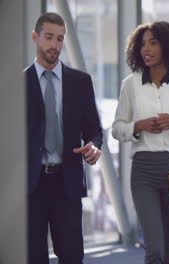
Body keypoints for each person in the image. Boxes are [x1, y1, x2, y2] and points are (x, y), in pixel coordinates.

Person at [112, 21, 169, 264]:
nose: (146, 49)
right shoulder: (130, 84)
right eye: (142, 44)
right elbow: (117, 130)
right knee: (155, 251)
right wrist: (137, 127)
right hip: (143, 172)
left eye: (153, 42)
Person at [26, 12, 103, 264]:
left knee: (71, 257)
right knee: (33, 257)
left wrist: (94, 145)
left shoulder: (80, 82)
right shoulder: (17, 84)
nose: (54, 45)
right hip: (30, 186)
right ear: (35, 37)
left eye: (60, 39)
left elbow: (94, 130)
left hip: (66, 183)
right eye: (49, 37)